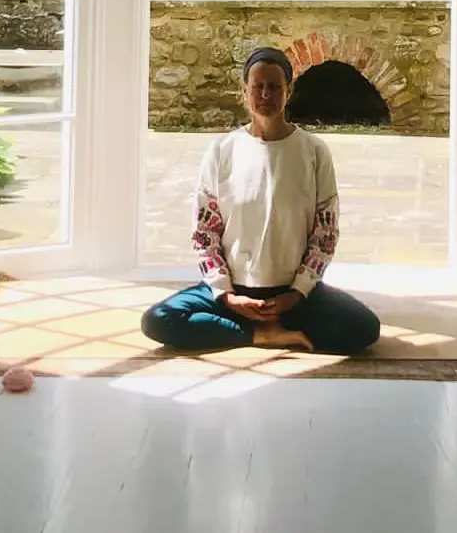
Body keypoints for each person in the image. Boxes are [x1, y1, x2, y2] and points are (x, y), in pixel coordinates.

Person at [140, 46, 381, 354]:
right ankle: (260, 334)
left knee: (363, 328)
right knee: (158, 320)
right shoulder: (221, 150)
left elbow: (325, 235)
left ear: (288, 91)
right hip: (235, 292)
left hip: (292, 296)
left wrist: (298, 292)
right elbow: (205, 235)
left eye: (274, 87)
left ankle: (268, 325)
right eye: (258, 87)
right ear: (245, 92)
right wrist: (226, 295)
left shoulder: (314, 152)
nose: (266, 94)